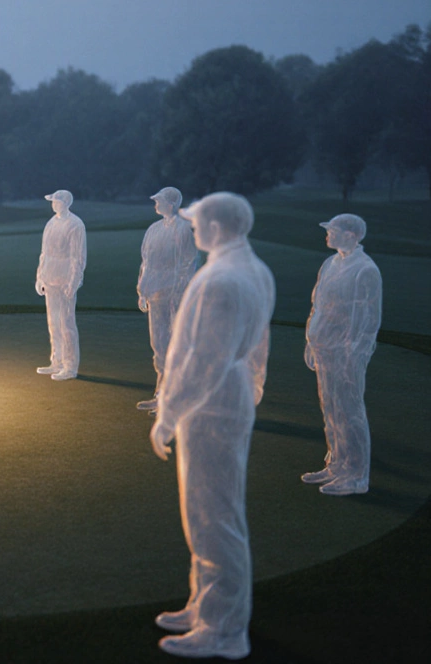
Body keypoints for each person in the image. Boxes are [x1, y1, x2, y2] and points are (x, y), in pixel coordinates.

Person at [148, 192, 275, 660]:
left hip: (212, 404)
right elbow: (257, 345)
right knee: (210, 511)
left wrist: (169, 413)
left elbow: (204, 360)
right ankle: (205, 604)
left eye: (198, 221)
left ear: (217, 227)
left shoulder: (220, 279)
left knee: (212, 515)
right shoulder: (254, 268)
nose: (193, 229)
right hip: (228, 396)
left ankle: (222, 628)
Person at [302, 214, 381, 496]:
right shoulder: (330, 263)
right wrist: (311, 342)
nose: (328, 234)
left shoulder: (365, 270)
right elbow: (318, 305)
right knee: (331, 410)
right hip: (324, 348)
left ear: (351, 234)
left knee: (350, 413)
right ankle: (336, 464)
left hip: (345, 355)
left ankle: (357, 475)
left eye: (333, 230)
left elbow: (368, 322)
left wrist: (355, 357)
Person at [136, 186, 198, 410]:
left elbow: (188, 263)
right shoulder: (153, 229)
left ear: (171, 203)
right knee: (159, 344)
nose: (156, 203)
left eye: (159, 200)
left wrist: (180, 293)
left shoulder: (183, 229)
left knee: (175, 344)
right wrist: (142, 291)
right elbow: (146, 262)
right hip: (155, 294)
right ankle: (161, 394)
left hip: (174, 294)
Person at [35, 190, 86, 381]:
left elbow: (77, 257)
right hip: (51, 278)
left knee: (66, 324)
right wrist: (40, 276)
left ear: (65, 203)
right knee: (54, 323)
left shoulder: (75, 225)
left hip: (65, 280)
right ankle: (56, 361)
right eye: (52, 201)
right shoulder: (51, 223)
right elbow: (44, 253)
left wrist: (73, 282)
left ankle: (70, 366)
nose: (53, 204)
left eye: (56, 201)